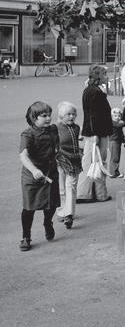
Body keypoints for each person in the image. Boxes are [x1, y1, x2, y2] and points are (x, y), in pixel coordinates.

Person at [18, 101, 61, 251]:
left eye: (49, 115)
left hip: (50, 173)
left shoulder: (53, 129)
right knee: (29, 208)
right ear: (34, 118)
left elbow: (57, 147)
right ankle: (26, 237)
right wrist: (34, 170)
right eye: (44, 116)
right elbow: (23, 156)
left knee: (51, 204)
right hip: (32, 176)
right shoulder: (28, 134)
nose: (48, 118)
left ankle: (47, 222)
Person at [77, 65, 112, 203]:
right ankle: (97, 193)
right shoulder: (95, 92)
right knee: (98, 162)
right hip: (97, 132)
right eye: (105, 74)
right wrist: (96, 134)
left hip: (93, 131)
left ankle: (89, 192)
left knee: (91, 161)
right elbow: (94, 115)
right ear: (99, 76)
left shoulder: (90, 90)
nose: (107, 77)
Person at [55, 102, 82, 229]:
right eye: (68, 114)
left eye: (73, 114)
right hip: (60, 160)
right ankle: (62, 212)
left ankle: (69, 214)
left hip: (74, 162)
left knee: (70, 186)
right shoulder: (55, 128)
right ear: (61, 116)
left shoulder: (77, 128)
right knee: (61, 188)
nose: (71, 116)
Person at [107, 107, 125, 178]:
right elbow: (121, 124)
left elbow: (120, 133)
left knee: (116, 157)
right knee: (115, 157)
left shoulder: (116, 123)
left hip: (116, 141)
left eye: (119, 116)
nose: (117, 117)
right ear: (112, 116)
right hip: (114, 141)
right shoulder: (113, 122)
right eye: (115, 116)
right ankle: (113, 173)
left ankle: (114, 171)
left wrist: (123, 140)